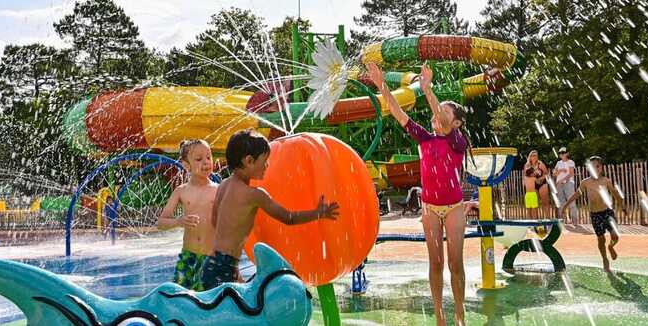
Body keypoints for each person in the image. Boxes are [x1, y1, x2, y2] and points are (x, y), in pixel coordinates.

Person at [367, 63, 469, 326]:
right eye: (438, 111)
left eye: (445, 113)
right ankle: (439, 315)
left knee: (455, 264)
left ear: (456, 123)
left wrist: (428, 89)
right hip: (430, 207)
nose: (438, 115)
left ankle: (460, 315)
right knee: (435, 263)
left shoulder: (457, 141)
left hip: (454, 206)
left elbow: (443, 120)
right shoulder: (424, 138)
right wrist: (382, 85)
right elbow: (397, 112)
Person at [203, 129, 339, 290]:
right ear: (249, 160)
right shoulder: (254, 194)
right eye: (265, 160)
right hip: (225, 267)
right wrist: (319, 213)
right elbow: (289, 218)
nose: (267, 165)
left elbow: (214, 221)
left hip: (212, 263)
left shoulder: (223, 185)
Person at [157, 139, 219, 291]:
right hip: (188, 257)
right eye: (199, 159)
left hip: (212, 258)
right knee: (179, 298)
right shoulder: (181, 191)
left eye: (208, 157)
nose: (206, 162)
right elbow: (161, 223)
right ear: (186, 165)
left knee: (208, 299)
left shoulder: (218, 190)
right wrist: (178, 221)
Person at [561, 156, 625, 273]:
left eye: (597, 166)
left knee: (615, 236)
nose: (595, 169)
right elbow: (576, 194)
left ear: (601, 168)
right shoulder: (585, 182)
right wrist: (566, 205)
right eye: (592, 166)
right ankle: (605, 259)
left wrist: (623, 206)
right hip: (595, 215)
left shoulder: (606, 181)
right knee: (601, 239)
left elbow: (615, 194)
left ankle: (611, 247)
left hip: (607, 212)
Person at [553, 147, 578, 224]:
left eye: (563, 153)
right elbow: (554, 174)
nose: (561, 154)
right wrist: (560, 171)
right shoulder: (558, 163)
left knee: (571, 202)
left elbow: (571, 173)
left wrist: (562, 180)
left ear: (567, 153)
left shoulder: (571, 162)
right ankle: (563, 220)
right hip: (559, 185)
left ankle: (574, 220)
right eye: (560, 153)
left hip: (568, 183)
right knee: (561, 203)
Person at [524, 150, 551, 217]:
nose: (534, 157)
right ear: (529, 157)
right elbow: (525, 176)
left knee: (545, 202)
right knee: (535, 205)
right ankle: (537, 221)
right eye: (532, 155)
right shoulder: (527, 165)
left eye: (535, 155)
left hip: (542, 184)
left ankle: (547, 219)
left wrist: (540, 179)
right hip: (533, 185)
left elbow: (547, 174)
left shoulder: (540, 164)